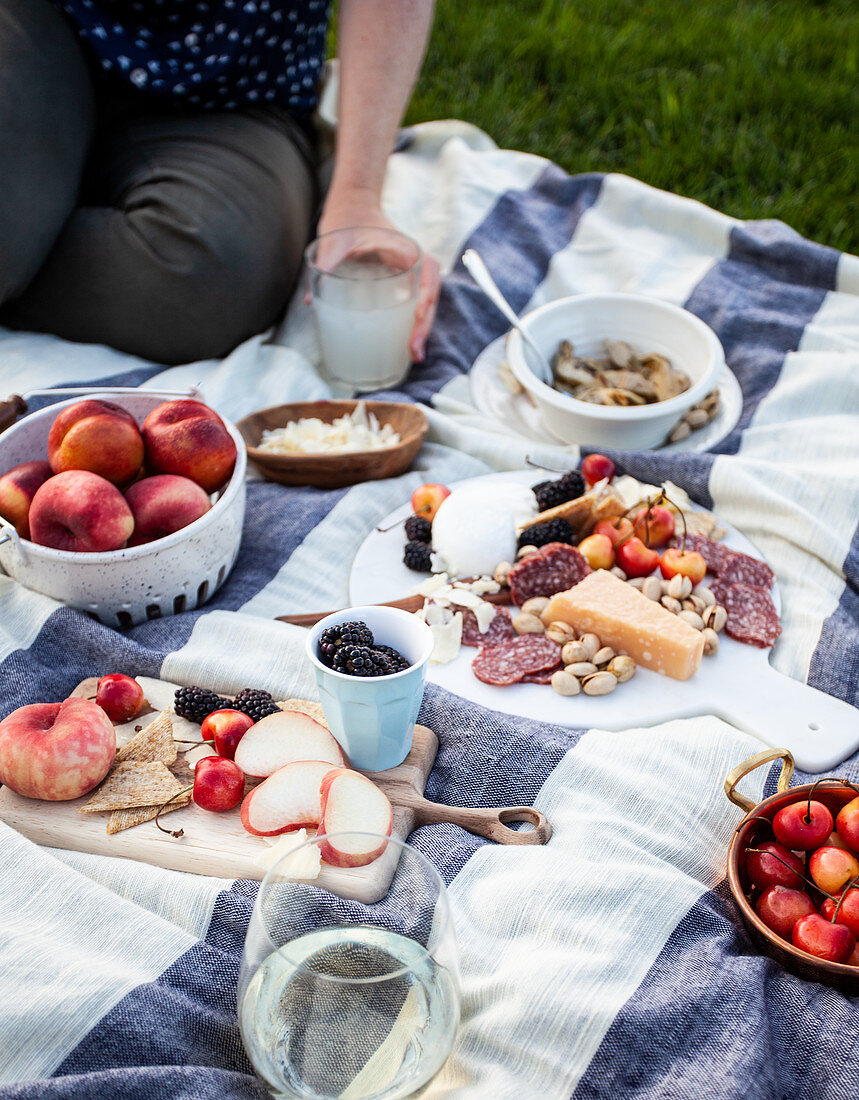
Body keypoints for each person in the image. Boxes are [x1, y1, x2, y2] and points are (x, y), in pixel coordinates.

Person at [0, 0, 439, 366]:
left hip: (235, 86)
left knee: (210, 284)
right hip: (40, 24)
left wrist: (357, 197)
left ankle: (37, 214)